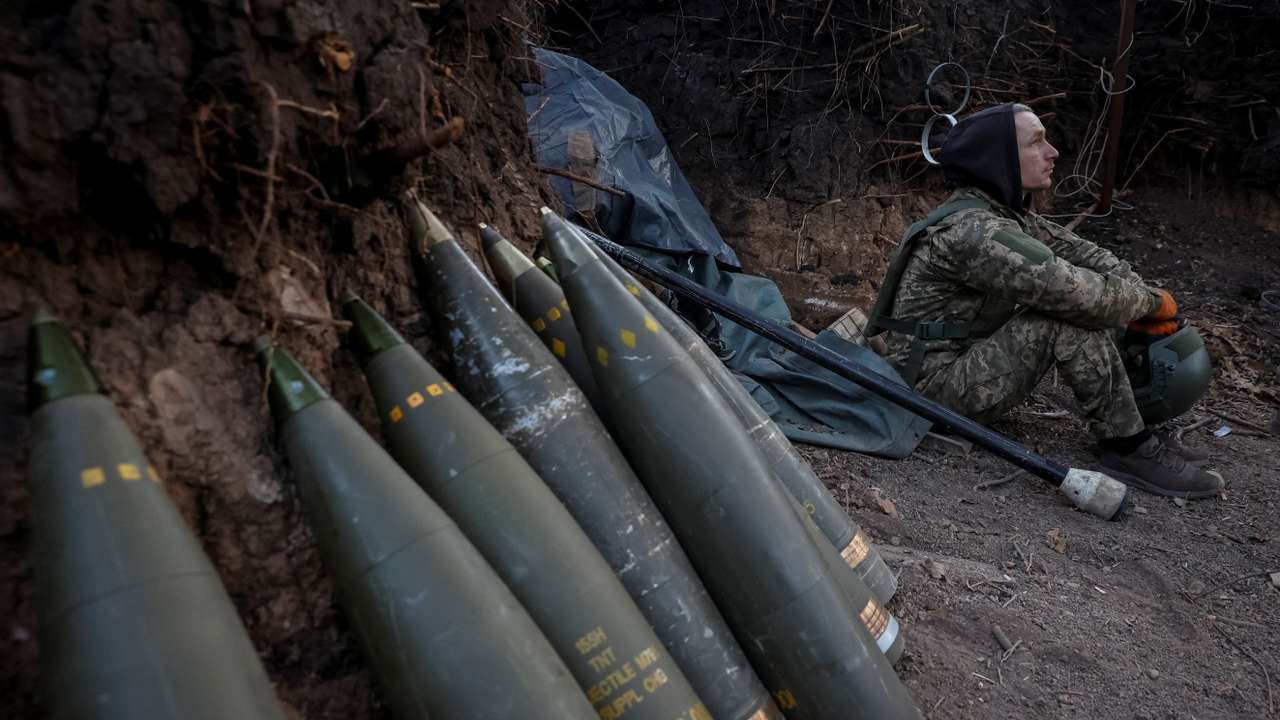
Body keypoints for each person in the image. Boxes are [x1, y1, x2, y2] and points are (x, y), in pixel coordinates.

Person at [867, 103, 1223, 498]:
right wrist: (1154, 304)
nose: (1052, 152)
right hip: (925, 393)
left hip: (954, 370)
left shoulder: (1002, 214)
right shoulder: (974, 233)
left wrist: (1136, 291)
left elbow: (1092, 257)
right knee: (1063, 317)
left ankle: (1132, 432)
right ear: (997, 158)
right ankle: (1128, 447)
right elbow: (1081, 296)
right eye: (1037, 143)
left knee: (1093, 302)